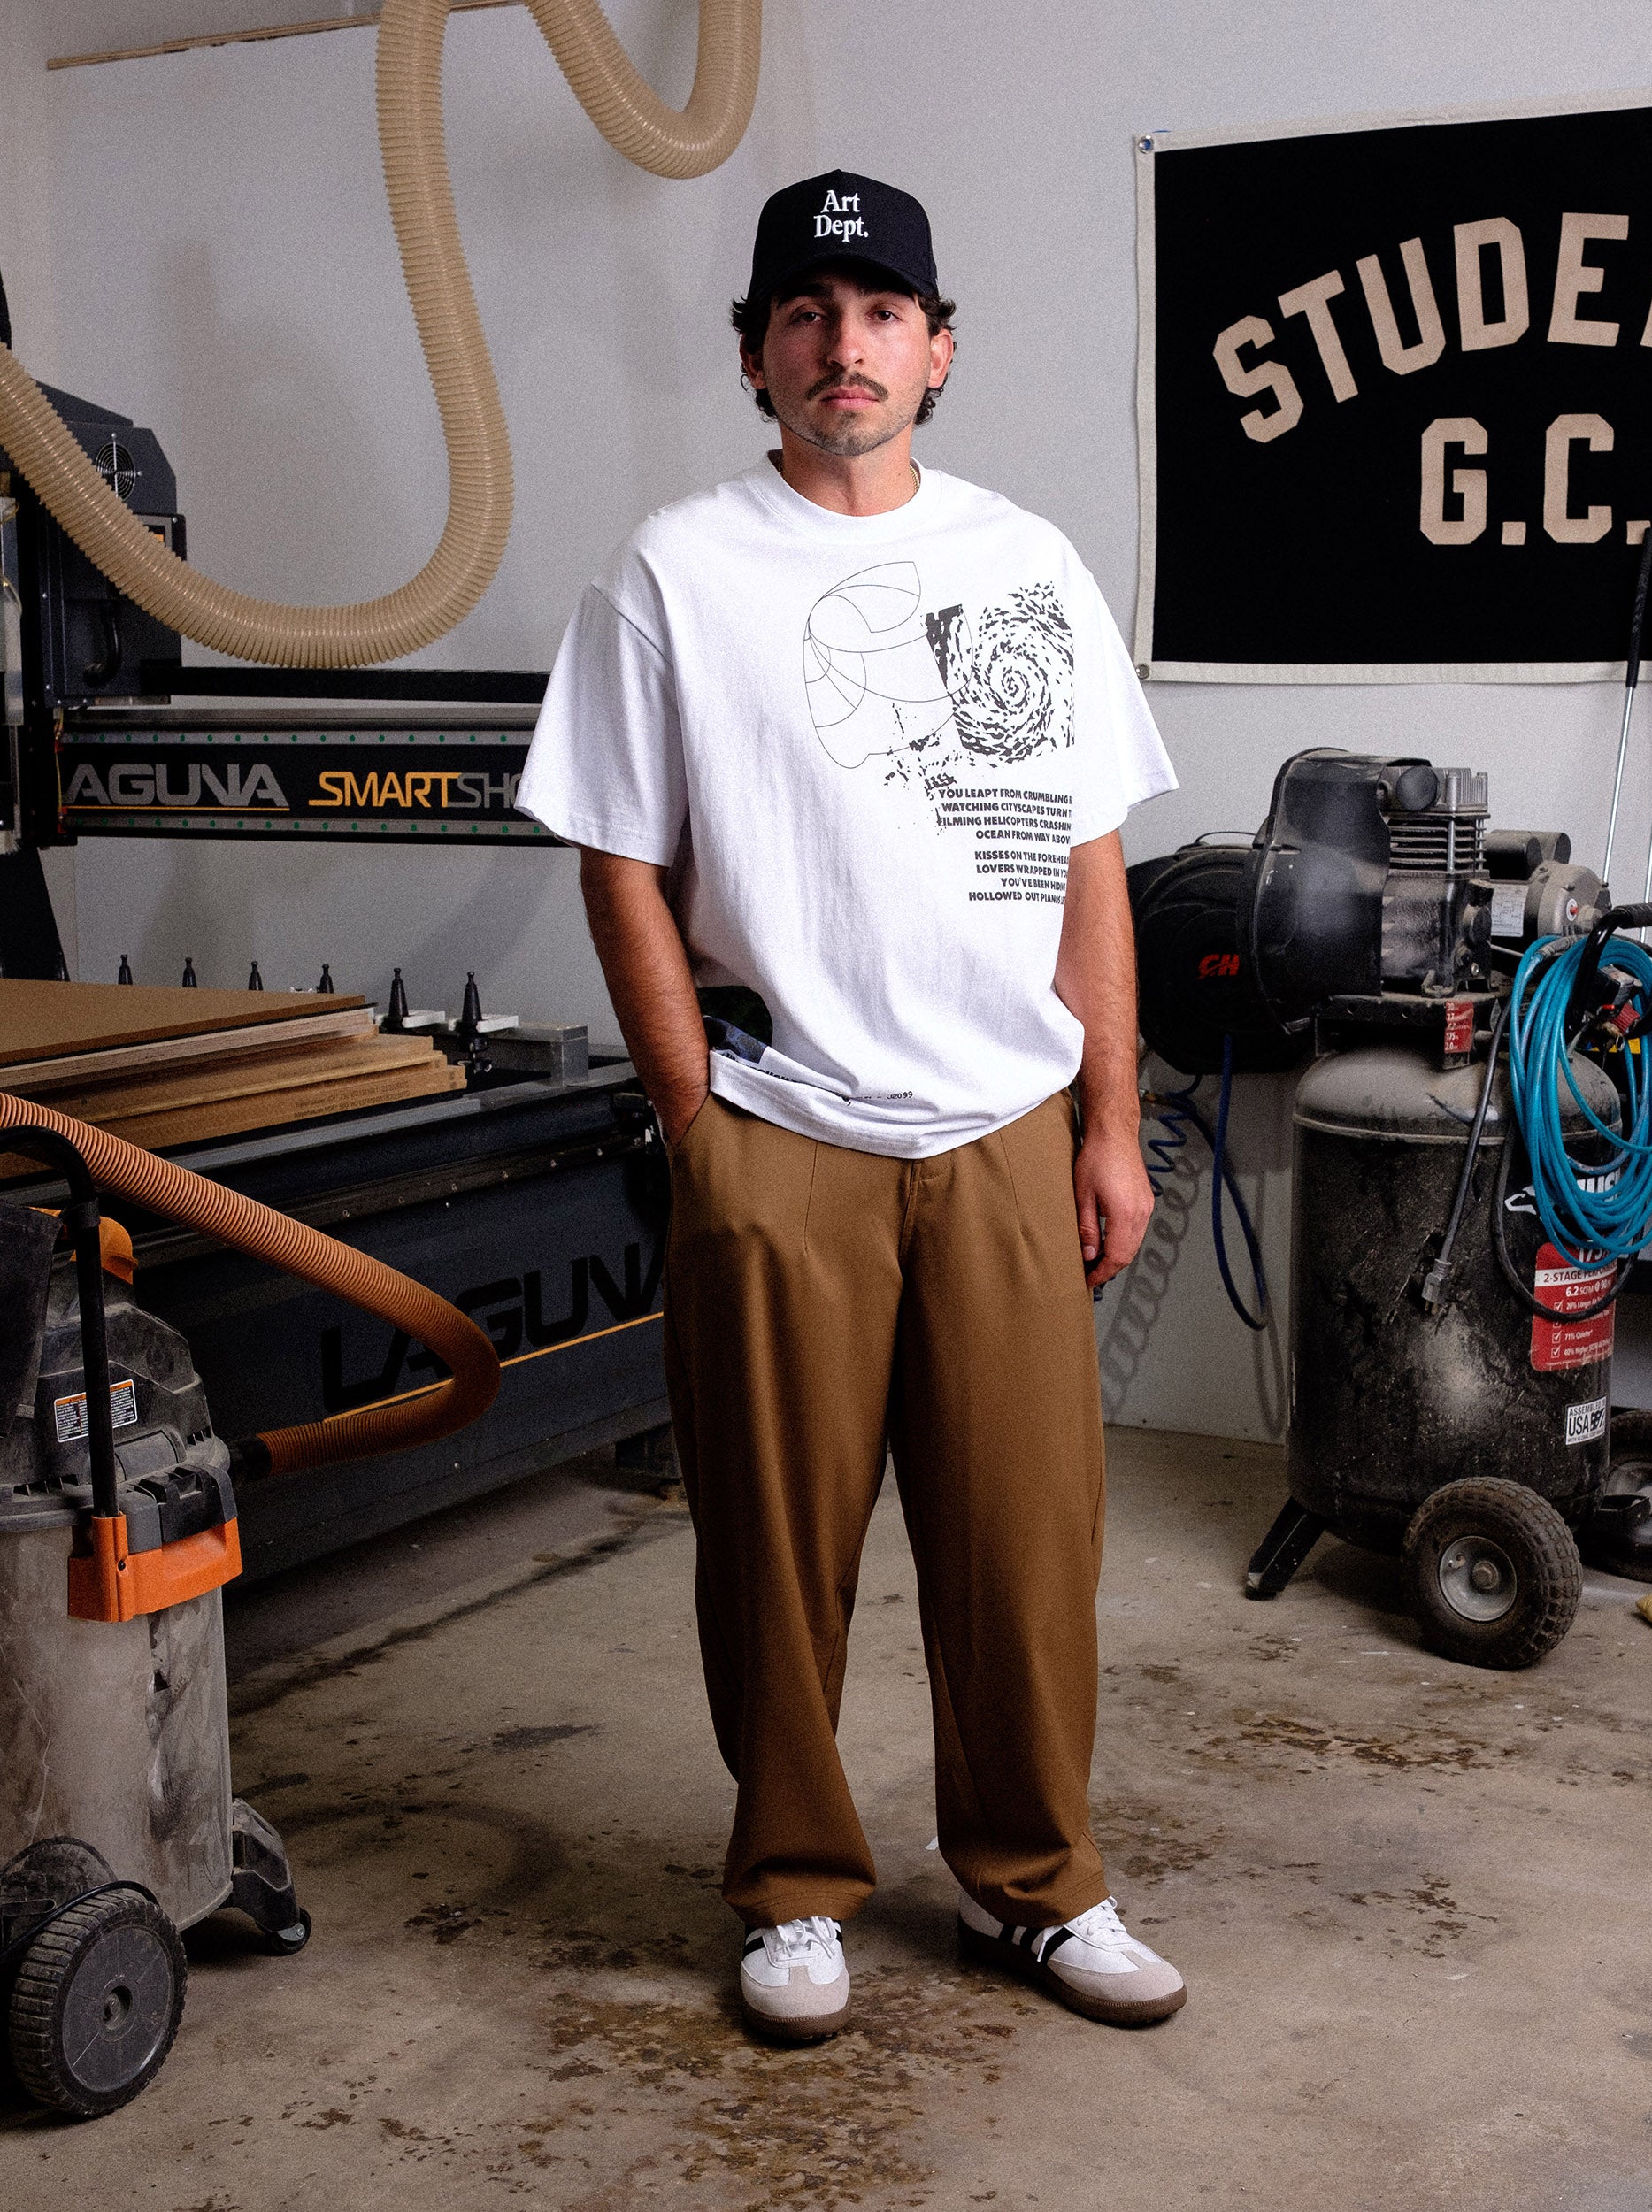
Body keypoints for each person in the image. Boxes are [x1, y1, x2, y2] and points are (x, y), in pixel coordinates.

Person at [518, 170, 1184, 2043]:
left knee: (1026, 1542)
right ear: (756, 357)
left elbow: (1086, 865)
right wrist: (692, 1123)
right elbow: (616, 861)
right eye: (805, 313)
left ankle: (1035, 1883)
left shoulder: (1025, 564)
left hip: (999, 1128)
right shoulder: (674, 569)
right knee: (775, 1541)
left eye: (879, 309)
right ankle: (795, 1887)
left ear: (938, 348)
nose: (844, 344)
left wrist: (1109, 1122)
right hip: (780, 1129)